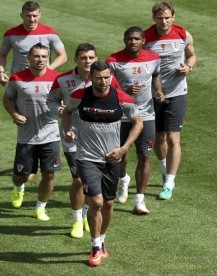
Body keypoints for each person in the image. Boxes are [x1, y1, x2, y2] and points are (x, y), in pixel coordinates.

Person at [61, 61, 142, 266]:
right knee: (96, 202)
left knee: (108, 203)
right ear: (90, 78)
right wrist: (68, 131)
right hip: (86, 158)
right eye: (99, 78)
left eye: (106, 77)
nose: (103, 81)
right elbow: (67, 112)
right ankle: (95, 245)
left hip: (112, 159)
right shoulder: (80, 95)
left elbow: (138, 123)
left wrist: (123, 149)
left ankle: (102, 240)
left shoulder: (120, 97)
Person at [48, 43, 104, 238]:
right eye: (83, 58)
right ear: (76, 60)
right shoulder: (63, 80)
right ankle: (77, 221)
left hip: (98, 138)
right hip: (72, 135)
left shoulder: (104, 78)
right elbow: (51, 100)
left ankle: (88, 215)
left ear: (96, 58)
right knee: (79, 179)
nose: (87, 61)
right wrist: (58, 110)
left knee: (93, 181)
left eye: (91, 58)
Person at [106, 26, 164, 214]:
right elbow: (106, 89)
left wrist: (158, 91)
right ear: (124, 39)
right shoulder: (113, 61)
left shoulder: (154, 58)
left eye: (136, 39)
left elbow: (156, 75)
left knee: (144, 155)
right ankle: (123, 179)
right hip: (120, 115)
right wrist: (125, 93)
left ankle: (139, 200)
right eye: (129, 38)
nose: (133, 42)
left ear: (143, 40)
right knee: (118, 156)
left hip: (146, 115)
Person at [144, 1, 196, 200]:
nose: (164, 21)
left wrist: (188, 68)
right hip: (152, 96)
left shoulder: (183, 34)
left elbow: (191, 56)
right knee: (158, 140)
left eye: (167, 17)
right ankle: (165, 169)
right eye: (160, 18)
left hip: (177, 93)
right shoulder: (145, 38)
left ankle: (169, 182)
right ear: (154, 18)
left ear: (173, 18)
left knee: (174, 138)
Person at [3, 43, 61, 221]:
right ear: (28, 58)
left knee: (48, 174)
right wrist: (14, 114)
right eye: (36, 56)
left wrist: (63, 108)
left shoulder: (57, 79)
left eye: (44, 56)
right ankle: (19, 187)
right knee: (20, 176)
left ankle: (40, 208)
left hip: (50, 134)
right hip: (26, 136)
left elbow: (66, 100)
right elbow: (7, 98)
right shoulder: (17, 78)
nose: (40, 60)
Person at [0, 1, 67, 86]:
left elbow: (62, 56)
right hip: (19, 81)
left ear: (40, 15)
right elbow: (2, 55)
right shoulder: (11, 34)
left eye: (35, 16)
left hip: (43, 81)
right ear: (22, 15)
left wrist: (48, 70)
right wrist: (1, 72)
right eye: (28, 16)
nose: (32, 19)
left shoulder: (49, 33)